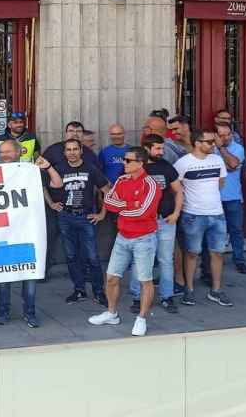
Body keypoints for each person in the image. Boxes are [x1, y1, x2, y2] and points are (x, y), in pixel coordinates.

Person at [89, 146, 162, 336]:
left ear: (140, 163)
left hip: (144, 239)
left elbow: (143, 212)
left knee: (145, 280)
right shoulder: (121, 180)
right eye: (124, 159)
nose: (124, 163)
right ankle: (112, 313)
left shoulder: (151, 184)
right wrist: (130, 205)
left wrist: (122, 208)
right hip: (122, 236)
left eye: (128, 160)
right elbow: (108, 202)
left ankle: (142, 318)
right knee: (111, 277)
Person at [0, 139, 61, 327]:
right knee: (2, 276)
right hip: (4, 234)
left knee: (29, 276)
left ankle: (29, 312)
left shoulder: (31, 171)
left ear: (19, 152)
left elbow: (57, 183)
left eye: (8, 152)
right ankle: (3, 311)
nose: (4, 155)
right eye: (1, 152)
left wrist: (47, 167)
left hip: (28, 232)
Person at [174, 129, 232, 307]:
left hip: (217, 213)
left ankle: (216, 290)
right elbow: (177, 187)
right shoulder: (183, 163)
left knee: (217, 253)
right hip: (193, 214)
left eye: (213, 141)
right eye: (209, 142)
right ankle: (189, 289)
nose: (213, 144)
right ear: (197, 143)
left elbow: (221, 183)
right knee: (192, 253)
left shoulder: (217, 160)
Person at [49, 139, 110, 306]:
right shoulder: (59, 169)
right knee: (71, 256)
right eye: (68, 150)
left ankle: (99, 292)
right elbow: (44, 186)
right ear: (64, 152)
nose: (72, 153)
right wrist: (51, 203)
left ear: (81, 150)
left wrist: (102, 213)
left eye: (75, 149)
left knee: (92, 257)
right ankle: (79, 290)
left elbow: (107, 190)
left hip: (86, 217)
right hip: (65, 217)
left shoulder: (90, 168)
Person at [128, 134, 184, 315]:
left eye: (162, 148)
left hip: (165, 221)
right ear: (146, 148)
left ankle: (167, 297)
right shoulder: (135, 167)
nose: (161, 152)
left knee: (166, 260)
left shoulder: (166, 166)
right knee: (139, 260)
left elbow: (179, 191)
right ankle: (137, 298)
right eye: (158, 148)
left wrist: (176, 213)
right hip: (142, 223)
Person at [216, 123, 246, 274]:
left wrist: (221, 149)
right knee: (216, 232)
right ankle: (215, 261)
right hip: (214, 197)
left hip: (233, 196)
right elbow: (228, 166)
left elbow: (233, 165)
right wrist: (227, 164)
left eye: (228, 134)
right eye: (221, 135)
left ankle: (239, 260)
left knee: (236, 230)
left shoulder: (238, 148)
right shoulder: (209, 148)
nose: (225, 138)